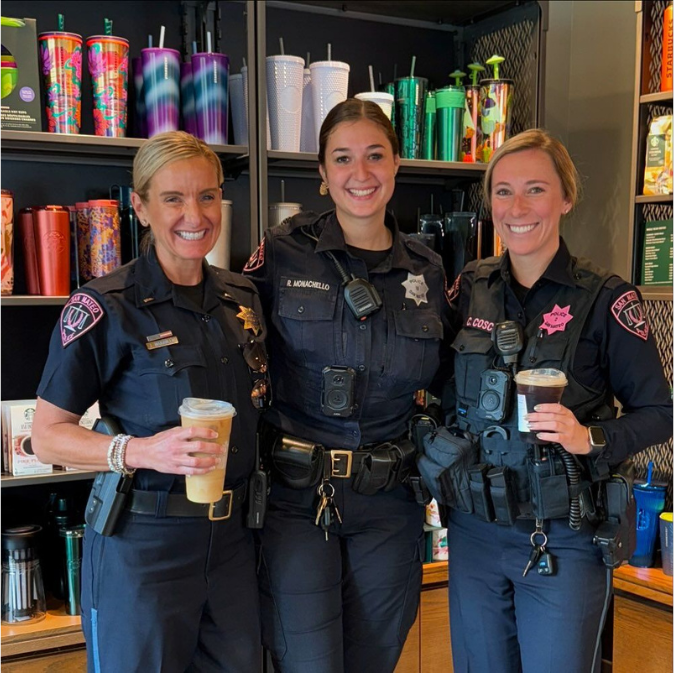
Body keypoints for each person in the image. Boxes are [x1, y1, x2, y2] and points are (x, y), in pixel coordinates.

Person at [434, 129, 673, 673]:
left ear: (566, 198)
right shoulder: (469, 287)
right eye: (503, 191)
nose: (517, 208)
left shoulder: (608, 298)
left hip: (560, 539)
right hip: (472, 533)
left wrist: (589, 437)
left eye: (535, 190)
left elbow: (661, 413)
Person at [32, 131, 268, 673]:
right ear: (139, 206)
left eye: (207, 196)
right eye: (173, 198)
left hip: (233, 542)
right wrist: (141, 451)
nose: (195, 214)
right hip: (145, 545)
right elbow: (46, 436)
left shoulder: (242, 300)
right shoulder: (105, 307)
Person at [243, 98, 452, 672]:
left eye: (374, 156)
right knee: (308, 662)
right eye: (342, 158)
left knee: (375, 662)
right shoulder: (280, 254)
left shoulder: (428, 270)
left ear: (397, 163)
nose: (360, 174)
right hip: (297, 500)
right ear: (322, 174)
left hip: (390, 504)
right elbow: (228, 346)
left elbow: (452, 377)